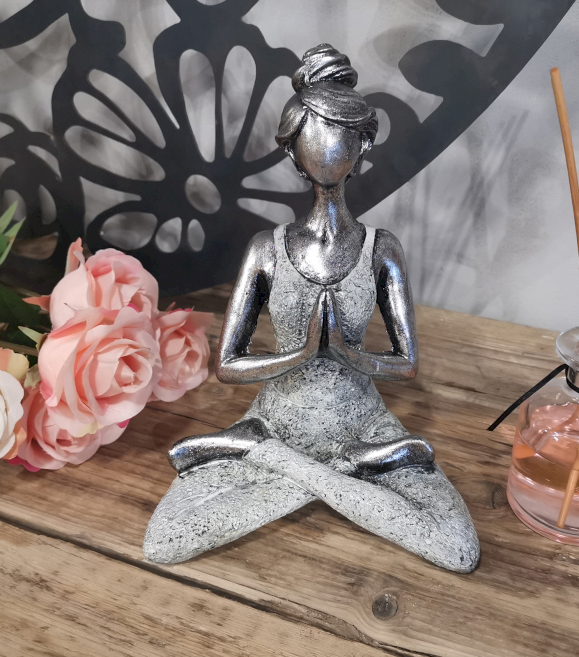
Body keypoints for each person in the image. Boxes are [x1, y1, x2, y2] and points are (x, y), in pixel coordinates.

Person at [144, 44, 479, 572]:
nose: (327, 146)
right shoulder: (267, 249)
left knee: (457, 546)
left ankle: (279, 460)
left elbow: (407, 364)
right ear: (292, 151)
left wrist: (346, 353)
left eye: (340, 133)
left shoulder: (381, 248)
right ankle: (330, 468)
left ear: (362, 145)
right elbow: (227, 366)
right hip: (276, 419)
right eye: (313, 133)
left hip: (365, 426)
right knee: (167, 538)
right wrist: (301, 355)